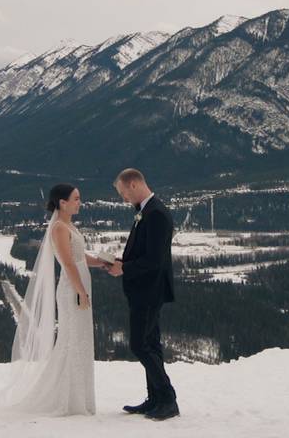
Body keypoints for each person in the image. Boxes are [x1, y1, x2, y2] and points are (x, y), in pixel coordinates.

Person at [0, 183, 109, 416]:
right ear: (63, 202)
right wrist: (80, 290)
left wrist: (103, 263)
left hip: (79, 284)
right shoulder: (59, 228)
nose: (80, 203)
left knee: (80, 339)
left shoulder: (68, 225)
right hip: (72, 288)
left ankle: (77, 396)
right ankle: (68, 398)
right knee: (71, 339)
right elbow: (68, 264)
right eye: (76, 199)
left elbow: (79, 257)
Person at [108, 168, 179, 421]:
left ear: (135, 184)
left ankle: (168, 398)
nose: (123, 198)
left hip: (150, 290)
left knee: (139, 345)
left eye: (123, 193)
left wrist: (124, 268)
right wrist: (120, 261)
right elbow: (143, 253)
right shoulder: (147, 211)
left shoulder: (156, 213)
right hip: (144, 289)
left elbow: (155, 260)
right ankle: (155, 399)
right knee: (151, 344)